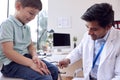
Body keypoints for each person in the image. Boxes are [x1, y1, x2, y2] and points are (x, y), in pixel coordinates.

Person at [58, 3, 120, 80]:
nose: (89, 33)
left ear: (108, 27)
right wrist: (68, 59)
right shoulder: (88, 35)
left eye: (94, 29)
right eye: (87, 27)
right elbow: (79, 50)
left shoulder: (118, 40)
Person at [0, 0, 58, 80]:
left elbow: (30, 46)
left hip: (26, 58)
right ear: (18, 6)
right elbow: (8, 52)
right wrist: (30, 63)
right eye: (31, 13)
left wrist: (35, 56)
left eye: (35, 15)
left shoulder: (27, 28)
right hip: (10, 64)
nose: (33, 17)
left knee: (54, 70)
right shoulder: (7, 24)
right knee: (45, 77)